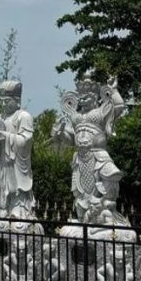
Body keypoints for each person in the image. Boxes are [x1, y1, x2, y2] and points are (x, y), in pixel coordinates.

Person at [52, 76, 127, 224]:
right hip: (80, 158)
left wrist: (113, 90)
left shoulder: (100, 112)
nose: (82, 100)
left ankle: (101, 217)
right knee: (81, 192)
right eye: (81, 98)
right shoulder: (76, 117)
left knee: (107, 179)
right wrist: (60, 133)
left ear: (94, 97)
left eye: (86, 98)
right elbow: (71, 140)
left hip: (98, 155)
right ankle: (82, 219)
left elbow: (118, 107)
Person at [0, 80, 34, 219]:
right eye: (1, 101)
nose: (3, 104)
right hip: (2, 160)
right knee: (2, 184)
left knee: (16, 186)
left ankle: (18, 209)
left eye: (7, 100)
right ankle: (1, 207)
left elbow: (26, 140)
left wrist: (7, 137)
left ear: (17, 99)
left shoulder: (23, 116)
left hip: (16, 161)